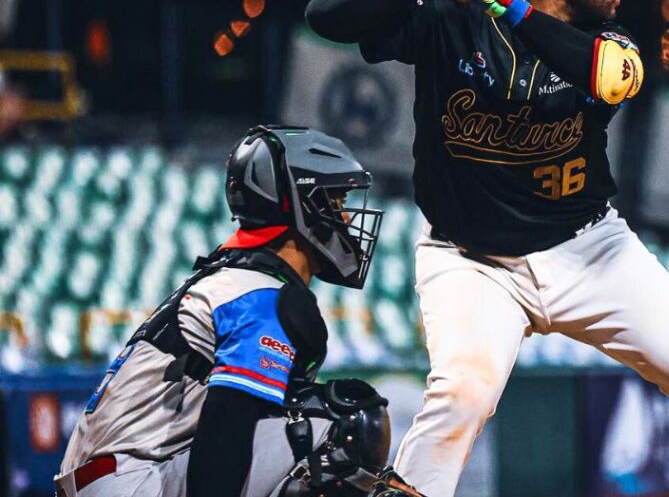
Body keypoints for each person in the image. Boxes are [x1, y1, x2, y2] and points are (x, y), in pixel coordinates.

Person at [305, 0, 669, 497]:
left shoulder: (609, 41)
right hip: (472, 262)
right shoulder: (456, 17)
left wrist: (509, 2)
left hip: (589, 251)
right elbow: (325, 15)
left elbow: (609, 79)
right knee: (462, 394)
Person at [54, 125, 423, 497]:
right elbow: (226, 427)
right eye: (336, 202)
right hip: (133, 481)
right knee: (348, 419)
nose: (344, 218)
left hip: (118, 477)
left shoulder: (236, 279)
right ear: (302, 204)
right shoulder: (259, 294)